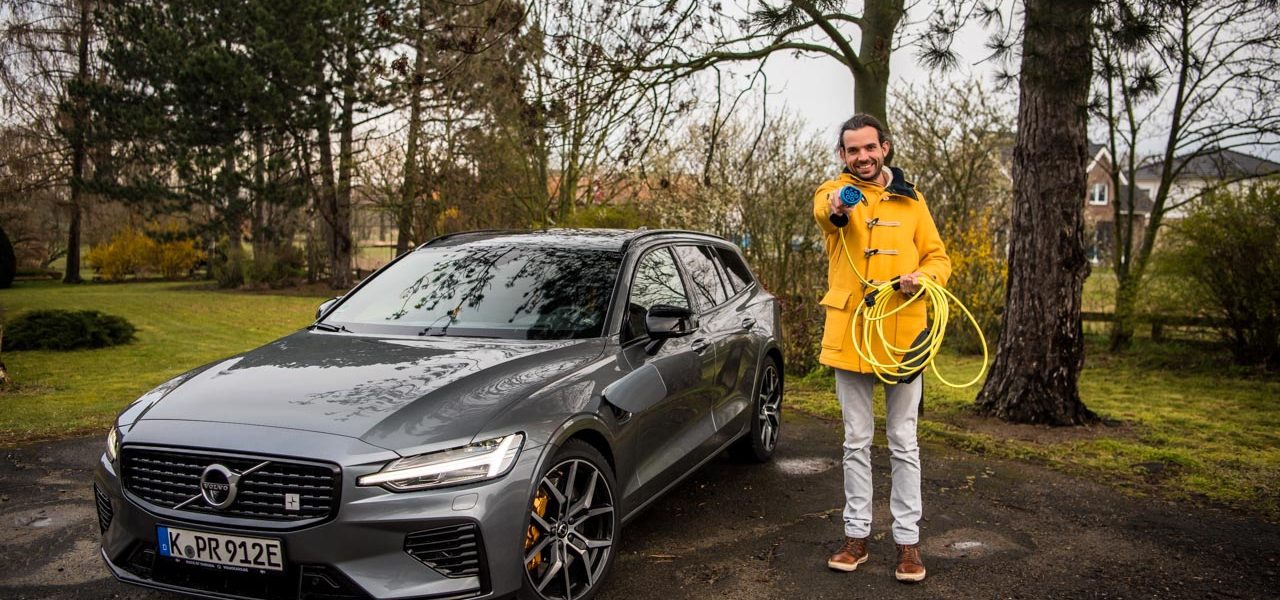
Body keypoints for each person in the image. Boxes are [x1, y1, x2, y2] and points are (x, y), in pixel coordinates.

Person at [811, 113, 950, 583]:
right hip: (851, 334)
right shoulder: (833, 194)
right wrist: (839, 207)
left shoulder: (913, 202)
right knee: (855, 441)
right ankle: (856, 537)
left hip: (904, 335)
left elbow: (938, 256)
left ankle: (908, 544)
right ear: (843, 155)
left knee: (904, 441)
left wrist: (922, 279)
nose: (862, 157)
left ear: (884, 148)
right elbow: (827, 212)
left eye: (869, 148)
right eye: (852, 150)